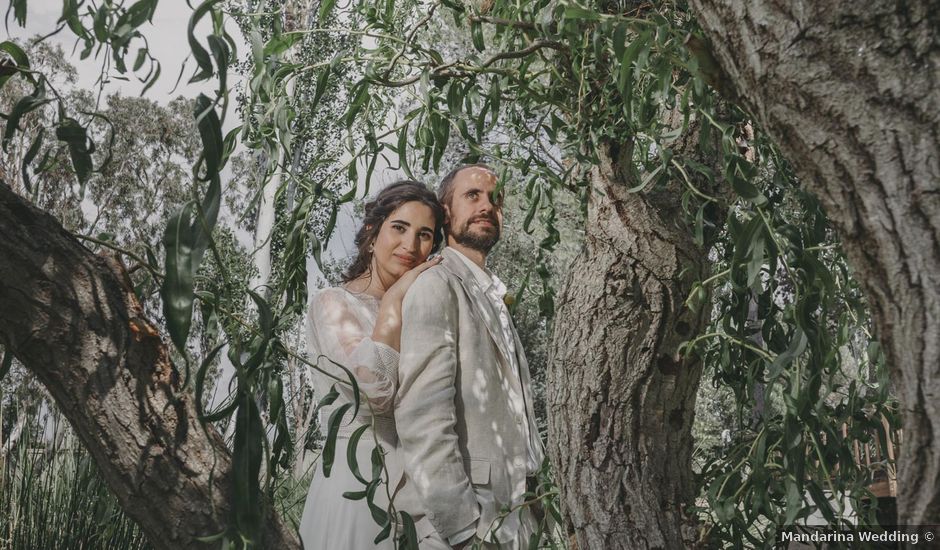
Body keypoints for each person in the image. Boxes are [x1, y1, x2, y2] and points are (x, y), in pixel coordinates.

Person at [395, 165, 545, 549]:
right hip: (469, 527)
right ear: (446, 212)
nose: (486, 206)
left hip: (517, 522)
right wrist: (462, 529)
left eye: (495, 200)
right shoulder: (436, 285)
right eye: (472, 196)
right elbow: (422, 421)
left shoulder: (495, 297)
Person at [299, 180, 445, 549]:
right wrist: (394, 298)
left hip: (417, 491)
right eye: (399, 228)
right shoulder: (332, 304)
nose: (410, 245)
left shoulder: (422, 316)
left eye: (424, 235)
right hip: (356, 482)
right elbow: (373, 390)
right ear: (371, 230)